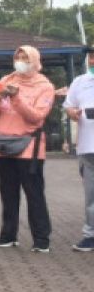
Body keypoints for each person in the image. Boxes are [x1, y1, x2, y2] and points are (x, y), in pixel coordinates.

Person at [0, 46, 55, 252]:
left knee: (34, 193)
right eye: (18, 57)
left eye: (25, 58)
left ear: (35, 61)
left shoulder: (45, 86)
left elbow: (36, 116)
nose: (21, 61)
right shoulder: (6, 79)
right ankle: (8, 235)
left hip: (30, 146)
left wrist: (16, 98)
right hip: (4, 143)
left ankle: (41, 239)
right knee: (8, 192)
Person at [63, 47, 94, 252]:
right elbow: (69, 105)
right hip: (88, 146)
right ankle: (90, 234)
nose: (93, 60)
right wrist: (73, 113)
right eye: (91, 56)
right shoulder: (80, 82)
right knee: (91, 194)